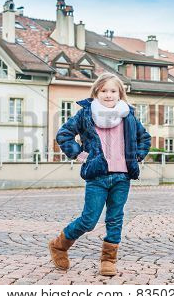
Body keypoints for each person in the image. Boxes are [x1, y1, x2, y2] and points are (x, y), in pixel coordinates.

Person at [49, 72, 151, 276]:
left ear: (120, 93)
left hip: (122, 176)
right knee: (89, 220)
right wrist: (80, 155)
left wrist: (136, 157)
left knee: (115, 218)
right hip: (97, 176)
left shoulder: (127, 115)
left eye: (113, 90)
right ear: (96, 92)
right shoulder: (86, 114)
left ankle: (108, 259)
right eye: (103, 90)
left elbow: (144, 138)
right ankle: (60, 245)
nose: (108, 94)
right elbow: (64, 134)